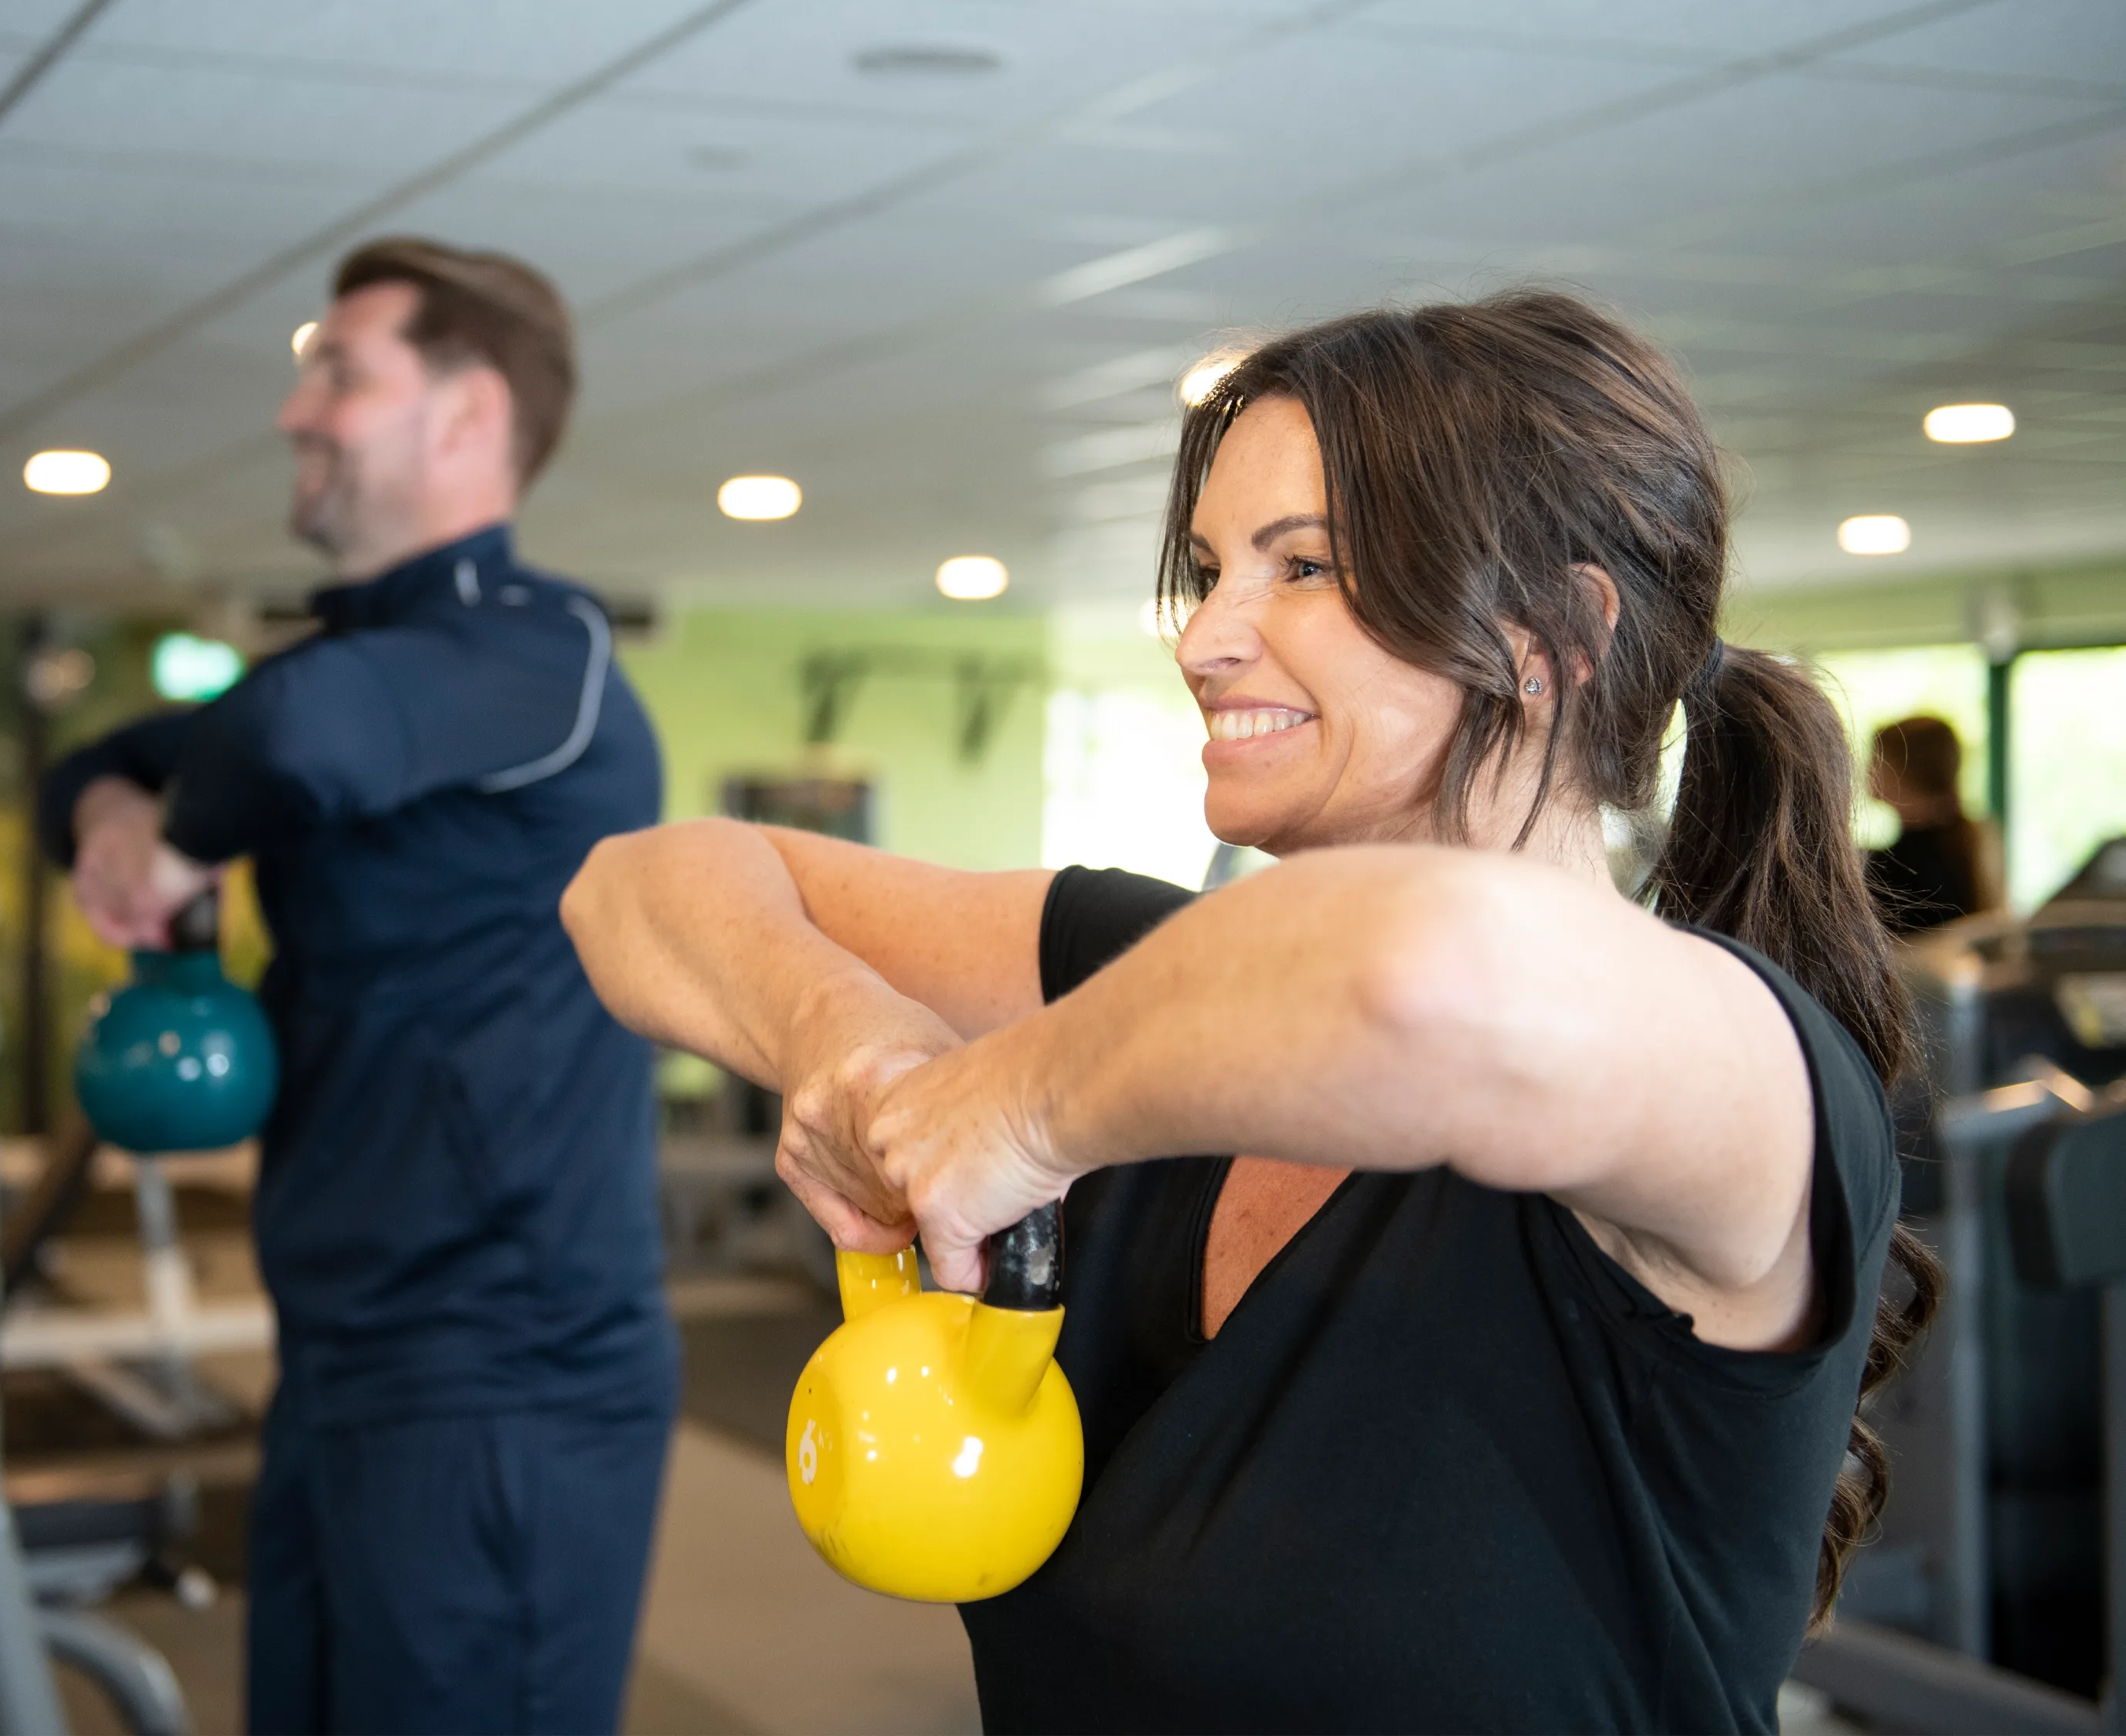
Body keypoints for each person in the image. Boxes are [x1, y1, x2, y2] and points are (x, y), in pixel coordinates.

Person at [563, 292, 1939, 1734]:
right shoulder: (1134, 975)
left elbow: (1427, 972)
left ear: (1554, 638)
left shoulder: (1743, 1086)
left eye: (1305, 567)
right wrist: (853, 1049)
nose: (1205, 637)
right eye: (1212, 569)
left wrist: (1019, 1107)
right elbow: (636, 888)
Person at [36, 238, 675, 1734]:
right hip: (339, 1351)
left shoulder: (540, 658)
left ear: (463, 419)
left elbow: (296, 742)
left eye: (339, 370)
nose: (294, 411)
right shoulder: (358, 655)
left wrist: (180, 844)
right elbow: (94, 762)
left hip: (500, 1375)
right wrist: (118, 824)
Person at [1864, 713, 1998, 936]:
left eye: (1877, 759)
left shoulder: (1902, 864)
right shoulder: (1965, 840)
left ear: (1903, 770)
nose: (1868, 770)